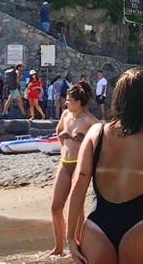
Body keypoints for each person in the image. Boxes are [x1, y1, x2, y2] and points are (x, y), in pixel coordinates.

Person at [66, 68, 143, 264]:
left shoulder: (96, 133)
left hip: (97, 226)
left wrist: (70, 238)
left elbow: (79, 183)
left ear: (118, 97)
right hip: (141, 225)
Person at [48, 80, 95, 257]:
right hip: (65, 163)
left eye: (69, 99)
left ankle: (79, 246)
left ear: (79, 102)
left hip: (79, 165)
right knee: (55, 206)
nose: (66, 102)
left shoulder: (90, 120)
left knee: (77, 208)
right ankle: (58, 247)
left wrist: (79, 140)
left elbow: (99, 139)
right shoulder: (66, 115)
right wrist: (63, 146)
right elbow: (59, 130)